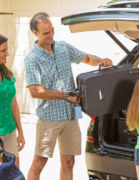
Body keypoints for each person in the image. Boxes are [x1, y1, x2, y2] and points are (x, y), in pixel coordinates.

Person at [24, 12, 113, 180]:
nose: (51, 35)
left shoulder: (63, 47)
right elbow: (35, 91)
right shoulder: (32, 59)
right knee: (39, 163)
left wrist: (102, 61)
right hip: (49, 118)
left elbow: (87, 58)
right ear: (35, 33)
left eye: (52, 30)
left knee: (69, 162)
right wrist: (64, 95)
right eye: (46, 33)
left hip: (71, 115)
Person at [0, 34, 25, 167]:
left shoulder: (7, 73)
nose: (7, 54)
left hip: (10, 131)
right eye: (3, 51)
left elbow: (13, 105)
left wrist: (20, 131)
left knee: (14, 171)